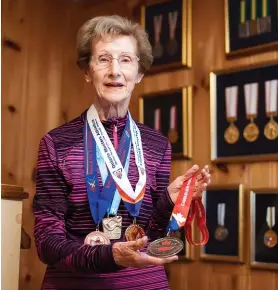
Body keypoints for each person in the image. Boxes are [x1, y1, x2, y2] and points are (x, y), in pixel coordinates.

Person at [33, 15, 211, 290]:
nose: (115, 70)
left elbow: (155, 234)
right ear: (87, 70)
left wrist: (169, 201)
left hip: (144, 284)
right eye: (103, 59)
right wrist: (110, 256)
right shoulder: (56, 143)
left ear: (139, 73)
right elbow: (47, 243)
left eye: (126, 59)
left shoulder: (157, 145)